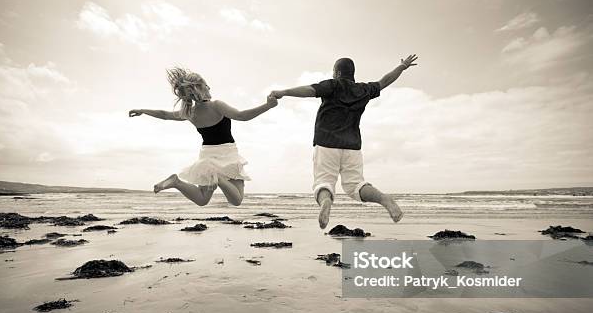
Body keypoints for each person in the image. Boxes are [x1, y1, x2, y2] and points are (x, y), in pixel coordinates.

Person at [270, 55, 418, 228]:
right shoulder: (363, 90)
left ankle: (326, 203)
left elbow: (309, 90)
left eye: (334, 72)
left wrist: (283, 92)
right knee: (355, 184)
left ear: (337, 72)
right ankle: (384, 199)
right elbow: (384, 81)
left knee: (323, 182)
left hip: (327, 142)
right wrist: (401, 67)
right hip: (352, 146)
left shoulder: (333, 85)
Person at [129, 67, 277, 206]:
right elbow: (241, 116)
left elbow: (165, 115)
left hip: (207, 156)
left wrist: (143, 110)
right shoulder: (216, 105)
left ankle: (176, 182)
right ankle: (217, 177)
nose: (209, 88)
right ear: (199, 87)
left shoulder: (190, 113)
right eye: (206, 85)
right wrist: (268, 106)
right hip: (227, 153)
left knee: (202, 199)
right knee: (237, 200)